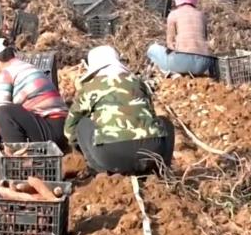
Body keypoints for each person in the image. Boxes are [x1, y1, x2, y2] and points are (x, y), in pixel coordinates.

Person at [65, 46, 174, 175]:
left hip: (111, 156)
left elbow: (70, 127)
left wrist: (79, 147)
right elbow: (151, 115)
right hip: (151, 151)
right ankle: (160, 169)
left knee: (82, 124)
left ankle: (99, 172)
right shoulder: (138, 82)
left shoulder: (90, 87)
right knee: (165, 123)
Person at [0, 38, 68, 149]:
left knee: (2, 114)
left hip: (49, 129)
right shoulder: (28, 68)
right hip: (63, 128)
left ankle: (23, 161)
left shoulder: (6, 74)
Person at [146, 0, 213, 75]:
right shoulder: (202, 16)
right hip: (202, 64)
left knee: (152, 49)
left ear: (178, 2)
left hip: (182, 62)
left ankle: (170, 72)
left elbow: (170, 43)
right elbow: (205, 39)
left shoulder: (173, 14)